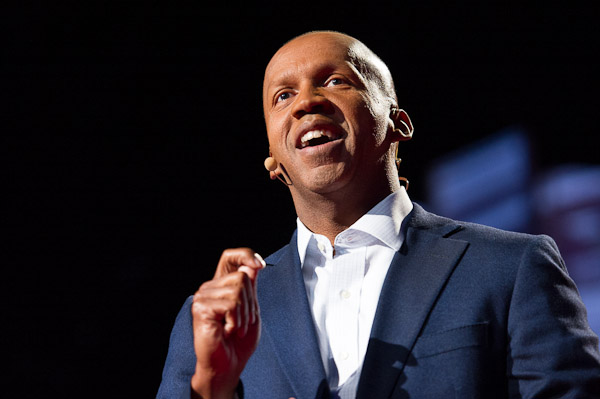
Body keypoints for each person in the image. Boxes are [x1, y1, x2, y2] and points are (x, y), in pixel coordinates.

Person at [157, 31, 600, 399]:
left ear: (398, 122)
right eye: (283, 95)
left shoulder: (511, 268)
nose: (305, 102)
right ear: (273, 158)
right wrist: (211, 387)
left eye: (334, 81)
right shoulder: (218, 314)